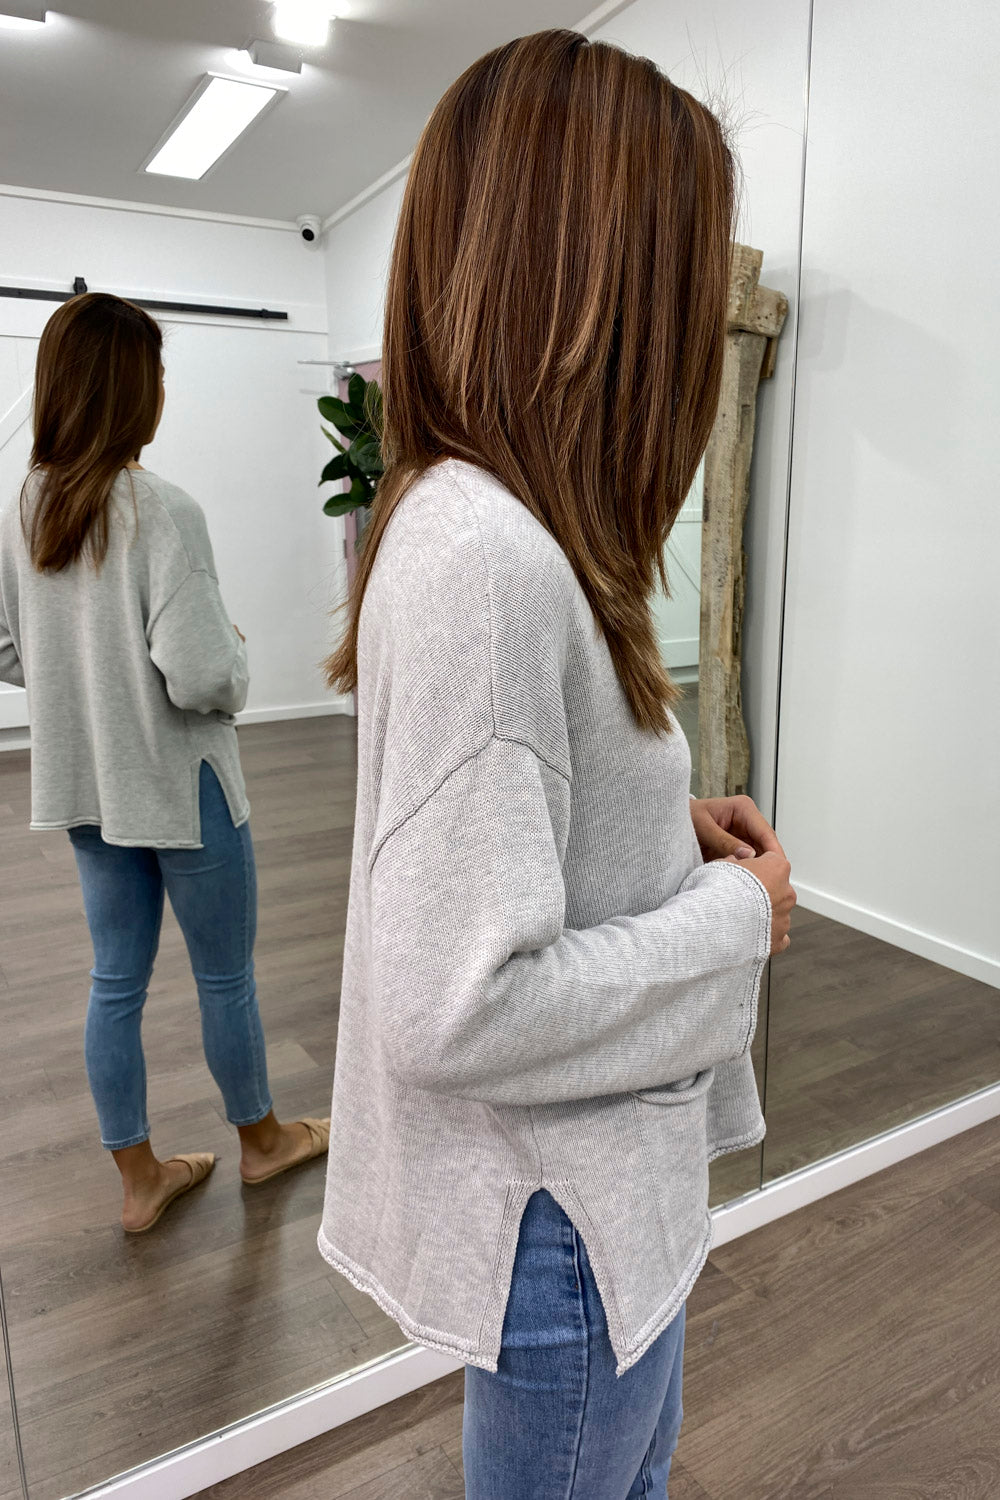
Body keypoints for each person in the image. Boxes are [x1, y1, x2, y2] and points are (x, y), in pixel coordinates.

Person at [318, 29, 796, 1498]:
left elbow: (509, 842)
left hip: (588, 1206)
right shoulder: (487, 559)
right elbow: (458, 1005)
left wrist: (656, 828)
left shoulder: (510, 535)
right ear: (606, 287)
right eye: (685, 271)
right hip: (566, 1222)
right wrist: (738, 915)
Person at [0, 292, 330, 1234]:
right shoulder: (163, 510)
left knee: (115, 981)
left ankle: (141, 1179)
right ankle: (262, 1143)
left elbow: (8, 649)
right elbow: (203, 677)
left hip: (86, 788)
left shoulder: (21, 509)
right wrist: (236, 654)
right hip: (183, 790)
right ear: (130, 388)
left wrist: (77, 674)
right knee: (225, 979)